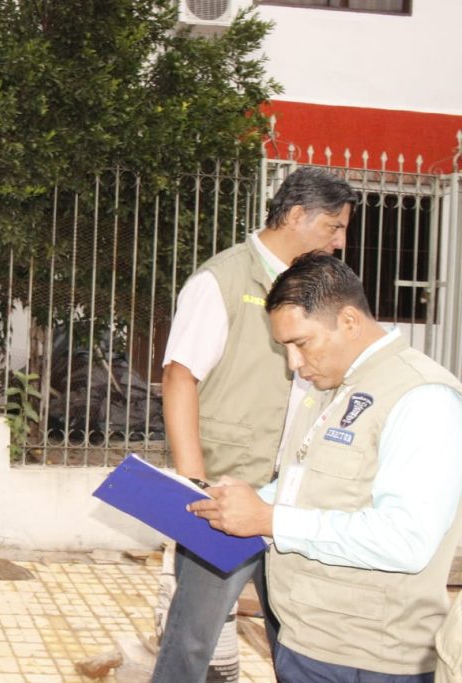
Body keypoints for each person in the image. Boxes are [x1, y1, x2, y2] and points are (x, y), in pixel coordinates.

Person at [189, 252, 462, 683]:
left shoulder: (422, 397)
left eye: (301, 343)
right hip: (305, 641)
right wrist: (240, 502)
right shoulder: (330, 387)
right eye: (285, 348)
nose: (293, 364)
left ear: (348, 321)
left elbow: (406, 540)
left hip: (370, 661)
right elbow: (305, 488)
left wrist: (268, 519)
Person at [151, 167, 357, 683]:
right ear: (296, 215)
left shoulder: (321, 288)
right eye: (333, 226)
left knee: (297, 638)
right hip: (227, 494)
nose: (339, 241)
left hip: (294, 499)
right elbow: (179, 377)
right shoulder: (221, 281)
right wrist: (194, 483)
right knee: (192, 637)